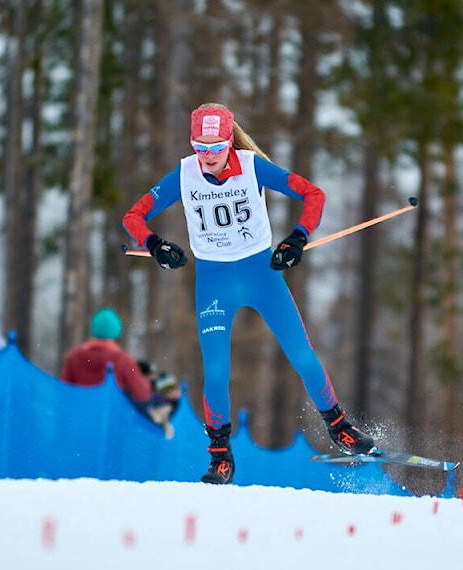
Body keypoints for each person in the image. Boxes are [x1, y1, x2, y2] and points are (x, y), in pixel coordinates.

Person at [122, 103, 375, 484]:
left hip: (261, 273)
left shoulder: (253, 166)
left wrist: (297, 238)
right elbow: (132, 217)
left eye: (216, 147)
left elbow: (314, 194)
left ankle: (339, 427)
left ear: (230, 142)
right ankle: (220, 456)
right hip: (213, 281)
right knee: (217, 372)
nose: (208, 157)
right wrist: (155, 245)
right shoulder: (184, 174)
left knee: (303, 356)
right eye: (200, 147)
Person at [60, 308, 173, 435]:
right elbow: (141, 393)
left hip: (78, 423)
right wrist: (148, 384)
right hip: (110, 426)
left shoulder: (74, 357)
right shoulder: (123, 360)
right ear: (116, 331)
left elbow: (64, 393)